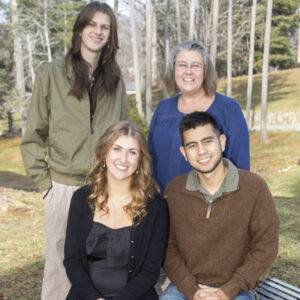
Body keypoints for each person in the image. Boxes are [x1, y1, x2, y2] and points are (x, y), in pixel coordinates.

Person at [20, 2, 127, 299]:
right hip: (63, 187)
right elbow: (33, 137)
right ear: (80, 29)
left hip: (106, 186)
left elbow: (126, 132)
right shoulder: (51, 74)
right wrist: (46, 186)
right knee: (60, 263)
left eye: (105, 27)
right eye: (92, 24)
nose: (98, 31)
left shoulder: (115, 80)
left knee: (102, 262)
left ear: (111, 35)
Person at [160, 111, 279, 300]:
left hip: (237, 288)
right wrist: (192, 291)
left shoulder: (254, 187)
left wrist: (227, 291)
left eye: (208, 141)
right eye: (192, 145)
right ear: (184, 153)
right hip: (186, 287)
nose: (201, 151)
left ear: (222, 142)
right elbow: (167, 246)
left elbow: (266, 247)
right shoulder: (174, 191)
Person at [64, 121, 168, 300]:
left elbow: (150, 270)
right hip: (86, 296)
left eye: (132, 152)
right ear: (104, 153)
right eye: (117, 149)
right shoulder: (81, 199)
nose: (123, 159)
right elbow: (72, 260)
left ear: (140, 159)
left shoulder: (156, 206)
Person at [148, 41, 249, 191]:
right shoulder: (163, 109)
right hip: (162, 203)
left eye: (195, 65)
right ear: (173, 70)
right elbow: (149, 159)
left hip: (207, 206)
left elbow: (241, 168)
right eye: (182, 65)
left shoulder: (228, 109)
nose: (188, 71)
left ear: (205, 71)